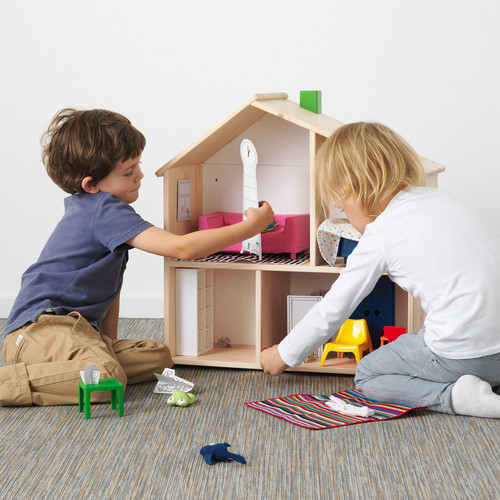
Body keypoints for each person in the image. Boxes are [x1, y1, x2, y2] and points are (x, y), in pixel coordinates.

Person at [1, 108, 274, 406]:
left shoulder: (100, 210)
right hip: (41, 329)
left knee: (159, 356)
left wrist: (110, 342)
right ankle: (14, 383)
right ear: (92, 185)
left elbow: (109, 291)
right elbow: (182, 248)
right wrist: (251, 227)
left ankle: (80, 367)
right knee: (106, 380)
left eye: (137, 165)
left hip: (74, 331)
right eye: (128, 172)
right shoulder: (103, 210)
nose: (140, 175)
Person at [260, 122, 500, 418]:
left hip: (464, 356)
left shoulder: (382, 233)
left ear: (356, 191)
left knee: (369, 373)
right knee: (421, 335)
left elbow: (333, 310)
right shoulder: (445, 201)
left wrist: (281, 354)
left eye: (341, 206)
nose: (344, 216)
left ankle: (454, 397)